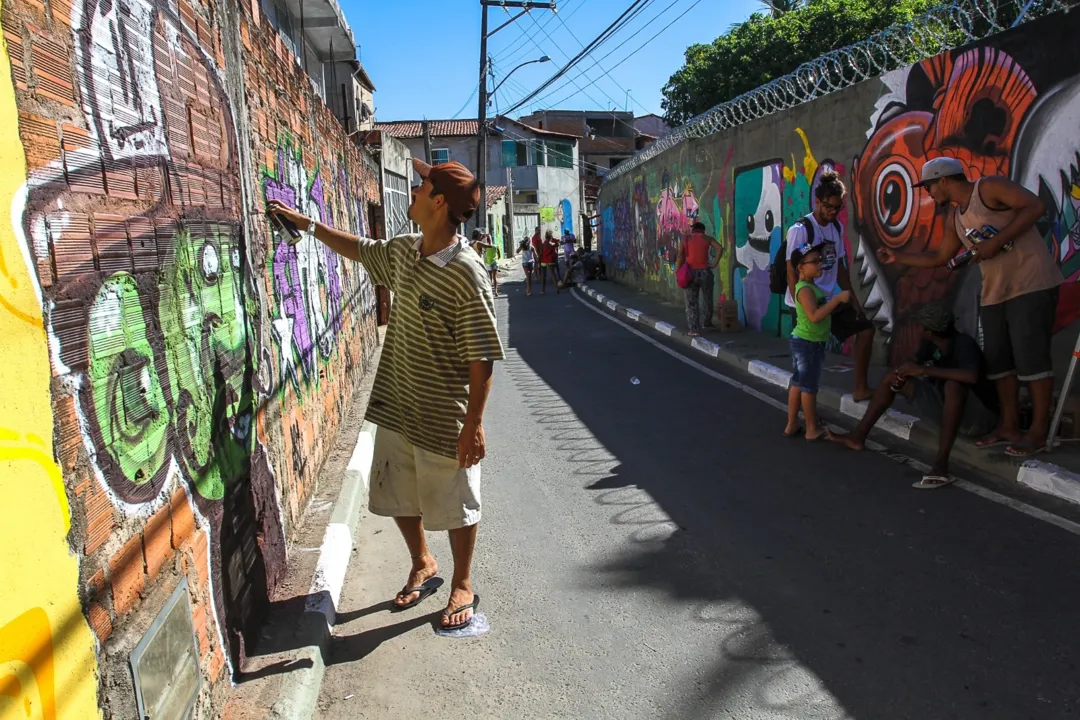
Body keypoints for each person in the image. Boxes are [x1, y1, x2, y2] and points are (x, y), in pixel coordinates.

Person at [267, 158, 503, 630]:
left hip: (444, 414)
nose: (413, 192)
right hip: (397, 402)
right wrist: (307, 223)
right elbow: (362, 249)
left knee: (457, 502)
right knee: (397, 494)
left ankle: (461, 582)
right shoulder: (403, 251)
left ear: (438, 202)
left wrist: (473, 424)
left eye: (421, 186)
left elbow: (483, 356)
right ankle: (422, 561)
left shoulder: (467, 273)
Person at [876, 156, 1063, 457]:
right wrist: (899, 257)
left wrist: (996, 242)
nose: (929, 193)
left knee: (1032, 361)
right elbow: (941, 257)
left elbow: (1035, 206)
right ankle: (1009, 426)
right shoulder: (955, 218)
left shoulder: (988, 189)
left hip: (1030, 284)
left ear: (945, 180)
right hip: (995, 293)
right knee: (1000, 364)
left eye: (930, 186)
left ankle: (1038, 432)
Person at [828, 301, 999, 488]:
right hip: (947, 408)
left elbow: (971, 376)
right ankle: (857, 437)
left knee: (953, 386)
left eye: (921, 327)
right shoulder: (929, 342)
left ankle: (941, 467)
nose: (919, 330)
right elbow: (914, 363)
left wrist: (923, 371)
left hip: (978, 418)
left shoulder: (963, 344)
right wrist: (903, 375)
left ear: (931, 331)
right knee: (891, 375)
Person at [785, 171, 875, 401]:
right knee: (807, 366)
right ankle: (801, 416)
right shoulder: (801, 230)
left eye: (837, 208)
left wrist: (853, 298)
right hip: (807, 303)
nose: (833, 212)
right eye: (828, 207)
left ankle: (860, 388)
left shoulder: (836, 228)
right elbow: (791, 269)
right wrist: (802, 306)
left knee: (866, 329)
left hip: (830, 299)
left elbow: (840, 267)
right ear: (817, 201)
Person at [785, 244, 851, 441]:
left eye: (819, 260)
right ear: (801, 267)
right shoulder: (805, 289)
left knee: (798, 382)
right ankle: (811, 428)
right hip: (808, 343)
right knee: (809, 386)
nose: (819, 264)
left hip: (806, 342)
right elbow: (814, 316)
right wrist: (837, 300)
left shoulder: (811, 286)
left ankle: (791, 424)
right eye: (814, 261)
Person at [676, 221, 724, 336]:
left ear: (694, 230)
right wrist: (713, 263)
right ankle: (707, 323)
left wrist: (677, 272)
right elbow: (720, 248)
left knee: (691, 302)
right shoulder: (707, 238)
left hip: (690, 273)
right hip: (705, 272)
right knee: (708, 298)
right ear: (703, 230)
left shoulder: (686, 239)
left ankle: (694, 329)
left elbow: (680, 256)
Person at [539, 229, 561, 294]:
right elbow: (557, 245)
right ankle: (557, 288)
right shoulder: (552, 244)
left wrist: (538, 261)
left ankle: (542, 290)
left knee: (543, 276)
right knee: (553, 274)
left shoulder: (543, 244)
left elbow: (540, 253)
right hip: (550, 260)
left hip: (543, 261)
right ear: (551, 237)